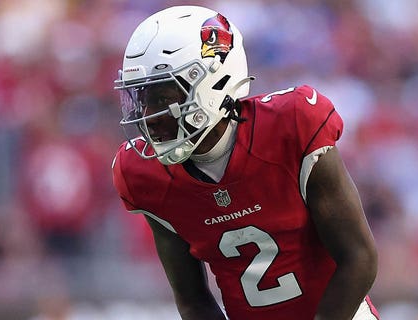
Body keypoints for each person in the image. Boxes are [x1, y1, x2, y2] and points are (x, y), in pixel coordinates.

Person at [111, 5, 380, 320]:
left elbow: (359, 258)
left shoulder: (291, 126)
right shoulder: (142, 174)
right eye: (141, 99)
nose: (149, 117)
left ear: (212, 83)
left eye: (162, 97)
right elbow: (192, 300)